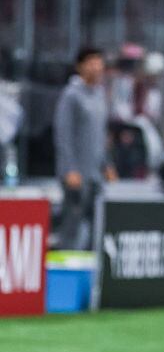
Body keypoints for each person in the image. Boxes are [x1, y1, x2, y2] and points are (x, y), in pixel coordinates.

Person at [53, 48, 114, 250]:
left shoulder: (99, 95)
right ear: (80, 66)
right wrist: (70, 168)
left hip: (96, 173)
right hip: (76, 174)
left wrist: (107, 165)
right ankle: (65, 270)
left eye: (99, 62)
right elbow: (63, 135)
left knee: (98, 224)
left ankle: (92, 271)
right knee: (72, 223)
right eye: (91, 62)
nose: (96, 67)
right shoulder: (71, 95)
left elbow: (101, 135)